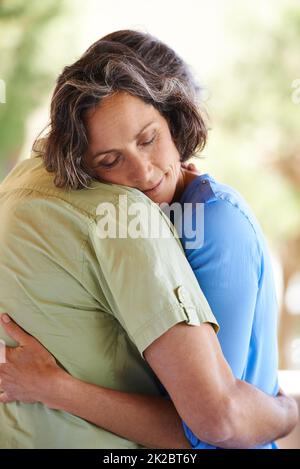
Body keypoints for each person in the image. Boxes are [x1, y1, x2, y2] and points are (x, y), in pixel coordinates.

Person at [0, 30, 298, 449]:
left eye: (148, 139)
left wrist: (54, 387)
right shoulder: (139, 224)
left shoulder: (214, 222)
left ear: (174, 120)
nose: (142, 173)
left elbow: (207, 430)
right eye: (110, 160)